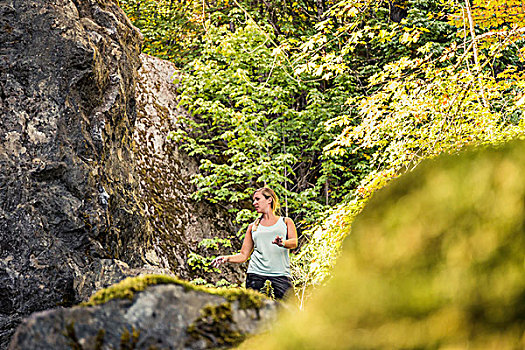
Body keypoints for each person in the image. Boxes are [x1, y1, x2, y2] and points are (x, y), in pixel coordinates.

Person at [212, 187, 297, 299]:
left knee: (291, 311)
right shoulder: (252, 227)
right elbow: (243, 255)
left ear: (269, 200)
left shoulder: (285, 222)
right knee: (253, 310)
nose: (254, 203)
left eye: (257, 199)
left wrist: (283, 243)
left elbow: (294, 242)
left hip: (281, 273)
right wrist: (226, 258)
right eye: (253, 200)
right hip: (256, 273)